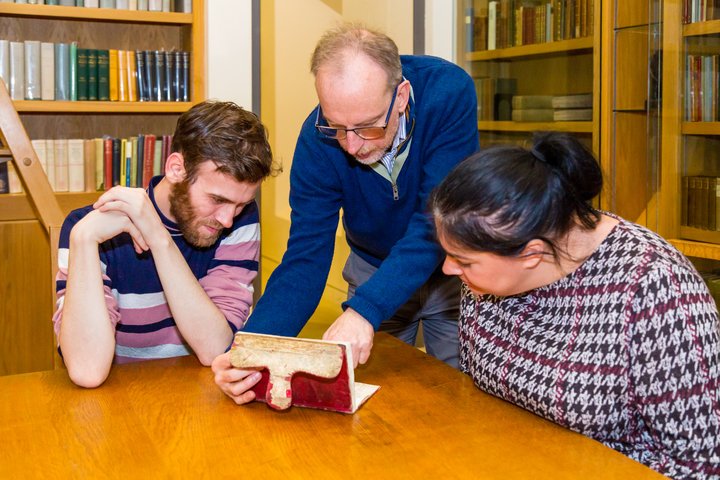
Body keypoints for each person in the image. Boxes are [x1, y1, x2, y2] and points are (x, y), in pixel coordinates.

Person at [428, 131, 720, 479]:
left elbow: (701, 464)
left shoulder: (654, 288)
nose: (448, 268)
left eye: (463, 260)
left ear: (532, 254)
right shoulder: (486, 273)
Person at [211, 23, 479, 400]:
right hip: (372, 269)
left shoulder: (447, 94)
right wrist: (249, 352)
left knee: (460, 398)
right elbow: (306, 257)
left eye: (367, 127)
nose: (351, 145)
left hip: (453, 272)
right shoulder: (316, 139)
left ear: (400, 97)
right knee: (377, 402)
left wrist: (365, 309)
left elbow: (434, 220)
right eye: (338, 126)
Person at [53, 100, 275, 388]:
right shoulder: (88, 228)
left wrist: (158, 238)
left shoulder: (239, 220)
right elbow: (87, 371)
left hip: (198, 396)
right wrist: (82, 240)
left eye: (240, 204)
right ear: (177, 169)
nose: (227, 219)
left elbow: (214, 348)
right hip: (116, 399)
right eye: (217, 199)